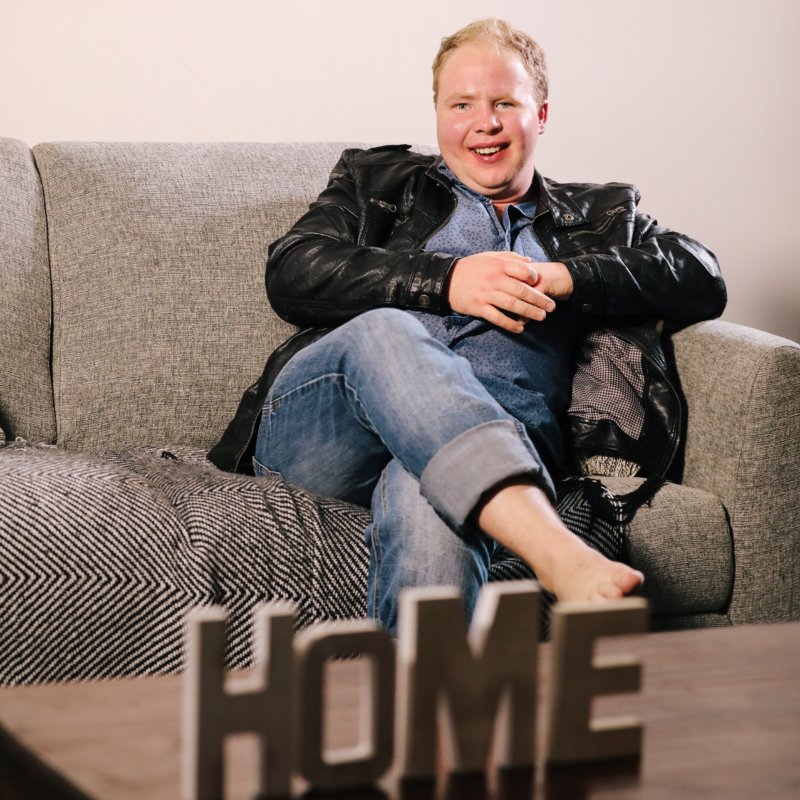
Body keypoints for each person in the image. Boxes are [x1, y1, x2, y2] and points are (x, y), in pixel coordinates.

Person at [209, 18, 726, 636]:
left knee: (431, 491)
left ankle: (422, 722)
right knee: (387, 332)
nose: (484, 122)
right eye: (462, 104)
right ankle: (555, 552)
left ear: (541, 116)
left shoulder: (604, 215)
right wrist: (447, 280)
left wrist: (565, 276)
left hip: (490, 439)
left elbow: (702, 275)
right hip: (331, 428)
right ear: (437, 113)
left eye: (505, 102)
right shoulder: (378, 182)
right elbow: (293, 270)